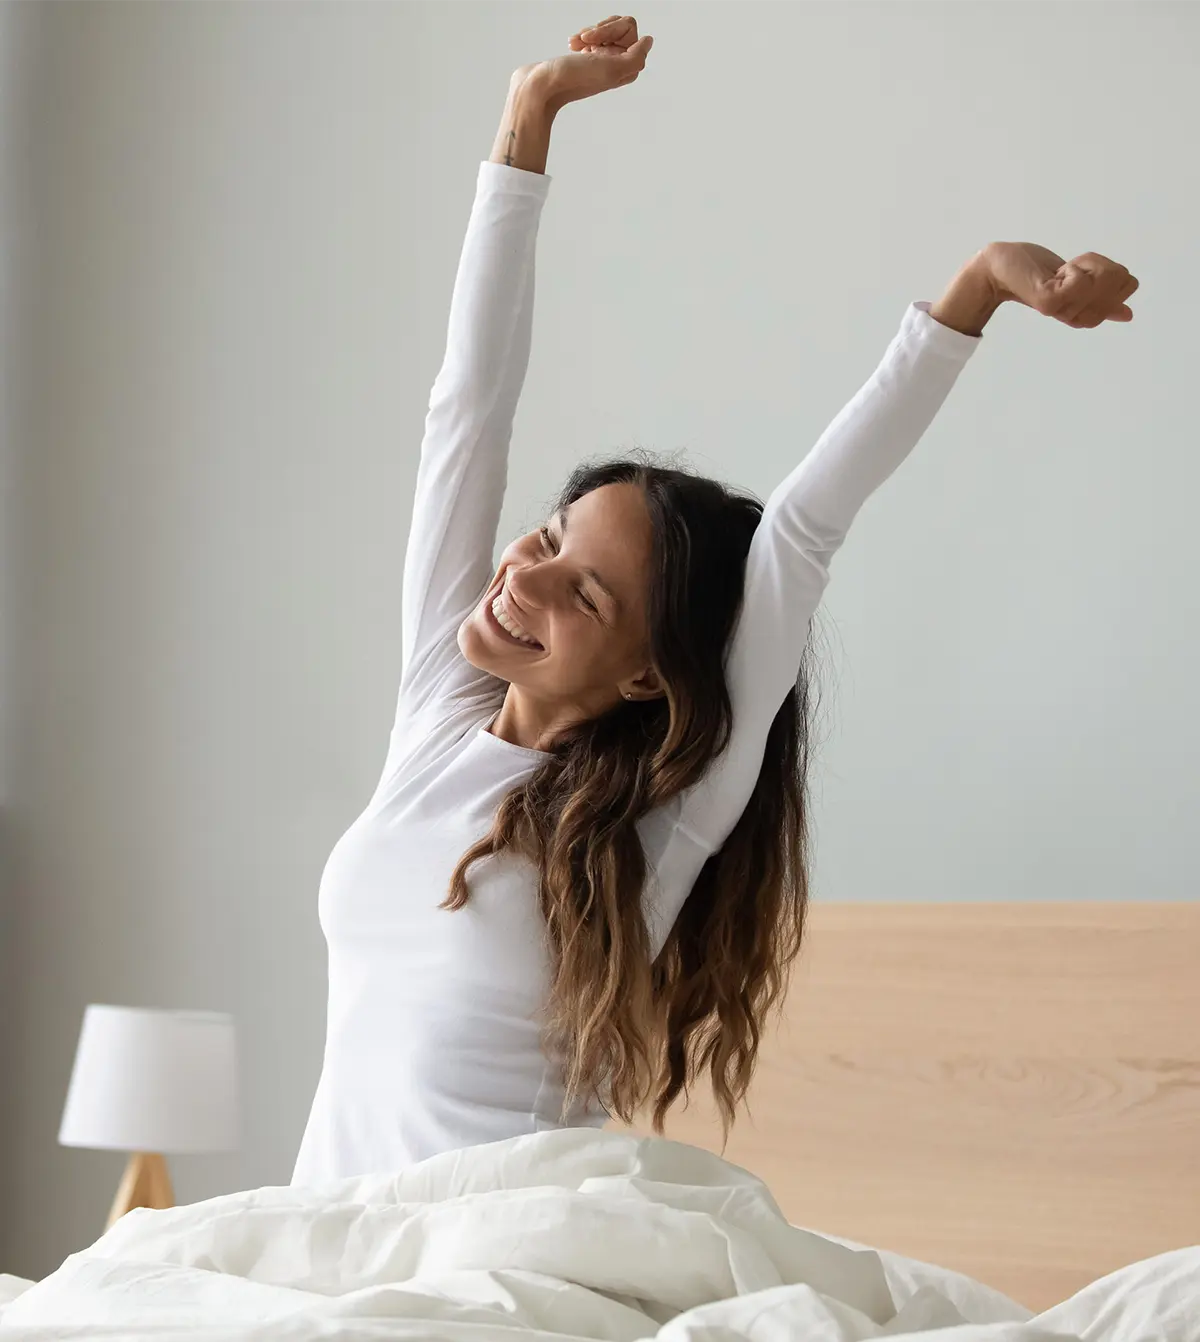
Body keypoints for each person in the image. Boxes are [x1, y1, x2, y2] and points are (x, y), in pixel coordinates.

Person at [291, 16, 1137, 1185]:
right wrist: (527, 119)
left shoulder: (666, 814)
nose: (521, 575)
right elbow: (466, 413)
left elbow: (800, 530)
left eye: (582, 589)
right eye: (545, 537)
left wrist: (976, 287)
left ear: (649, 671)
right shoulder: (439, 711)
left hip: (493, 1264)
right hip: (323, 1251)